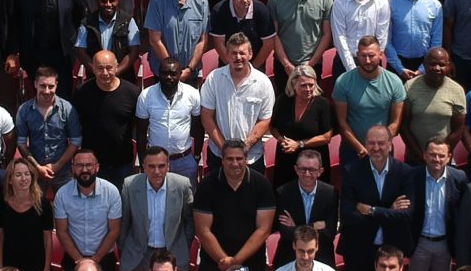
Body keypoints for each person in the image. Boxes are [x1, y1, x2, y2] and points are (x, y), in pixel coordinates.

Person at [194, 140, 275, 271]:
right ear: (222, 160)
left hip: (251, 265)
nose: (235, 163)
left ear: (246, 159)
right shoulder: (206, 185)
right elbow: (203, 231)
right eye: (230, 159)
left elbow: (263, 229)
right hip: (215, 266)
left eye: (239, 158)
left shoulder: (262, 185)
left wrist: (236, 261)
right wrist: (225, 262)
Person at [339, 125, 420, 271]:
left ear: (390, 145)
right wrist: (390, 211)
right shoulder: (352, 171)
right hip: (359, 249)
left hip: (393, 248)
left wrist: (372, 211)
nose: (376, 148)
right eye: (371, 143)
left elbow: (406, 215)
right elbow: (347, 215)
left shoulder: (406, 173)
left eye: (381, 143)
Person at [121, 146, 195, 271]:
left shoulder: (182, 185)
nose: (156, 172)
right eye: (151, 166)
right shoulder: (130, 185)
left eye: (161, 166)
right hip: (141, 255)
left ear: (168, 166)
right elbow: (124, 223)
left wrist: (182, 245)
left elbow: (189, 221)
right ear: (144, 167)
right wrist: (126, 250)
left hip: (172, 253)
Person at [201, 32, 275, 168]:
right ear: (227, 54)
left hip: (251, 157)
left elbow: (265, 120)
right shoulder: (214, 79)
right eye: (234, 53)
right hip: (219, 155)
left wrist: (245, 147)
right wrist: (225, 148)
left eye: (242, 53)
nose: (238, 57)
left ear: (250, 54)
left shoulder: (263, 82)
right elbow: (206, 117)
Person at [408, 136, 467, 271]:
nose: (437, 159)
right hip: (420, 243)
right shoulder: (412, 175)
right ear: (424, 155)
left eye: (441, 156)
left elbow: (463, 211)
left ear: (449, 157)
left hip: (444, 244)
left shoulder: (459, 177)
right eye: (432, 155)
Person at [333, 36, 407, 167]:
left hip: (383, 150)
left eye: (371, 56)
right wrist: (360, 148)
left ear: (380, 55)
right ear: (357, 55)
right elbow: (342, 122)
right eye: (363, 56)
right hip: (352, 150)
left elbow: (395, 122)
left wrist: (378, 147)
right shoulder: (343, 82)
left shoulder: (394, 82)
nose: (367, 61)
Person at [53, 149, 123, 271]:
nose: (84, 169)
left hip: (104, 259)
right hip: (73, 259)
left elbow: (114, 231)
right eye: (79, 165)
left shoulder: (111, 192)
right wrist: (80, 261)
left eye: (89, 165)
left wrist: (95, 260)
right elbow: (62, 231)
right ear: (73, 168)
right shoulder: (62, 194)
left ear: (97, 167)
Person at [266, 0, 335, 95]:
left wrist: (311, 63)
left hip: (313, 64)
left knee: (311, 107)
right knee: (285, 105)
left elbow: (327, 34)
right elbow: (274, 34)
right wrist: (287, 65)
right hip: (283, 65)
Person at [71, 48, 138, 187]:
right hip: (92, 164)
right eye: (100, 68)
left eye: (109, 68)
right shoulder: (82, 92)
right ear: (93, 68)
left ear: (116, 66)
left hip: (122, 162)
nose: (105, 73)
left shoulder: (132, 93)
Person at [0, 156, 55, 271]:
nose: (23, 178)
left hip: (37, 265)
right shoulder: (1, 203)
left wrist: (46, 269)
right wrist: (1, 268)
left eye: (27, 174)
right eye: (18, 175)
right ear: (9, 180)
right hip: (11, 263)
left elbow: (48, 239)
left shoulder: (42, 204)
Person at [17, 0, 82, 86]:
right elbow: (17, 22)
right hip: (35, 54)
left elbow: (79, 16)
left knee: (64, 95)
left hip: (62, 53)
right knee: (40, 95)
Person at [135, 56, 203, 179]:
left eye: (173, 74)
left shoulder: (192, 94)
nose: (168, 77)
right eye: (164, 73)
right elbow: (141, 132)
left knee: (187, 198)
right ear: (158, 73)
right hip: (155, 161)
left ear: (180, 74)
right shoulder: (146, 96)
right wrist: (143, 161)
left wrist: (196, 156)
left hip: (184, 160)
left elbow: (198, 128)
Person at [16, 66, 81, 192]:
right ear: (35, 84)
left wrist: (56, 166)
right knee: (37, 208)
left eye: (51, 86)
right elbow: (21, 143)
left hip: (63, 172)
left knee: (66, 208)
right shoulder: (24, 110)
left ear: (56, 85)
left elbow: (75, 141)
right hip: (35, 171)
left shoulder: (67, 109)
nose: (47, 91)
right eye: (43, 86)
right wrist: (38, 167)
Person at [145, 0, 211, 82]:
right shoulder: (157, 0)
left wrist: (189, 69)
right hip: (164, 74)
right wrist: (172, 70)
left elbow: (203, 41)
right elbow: (154, 40)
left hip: (190, 74)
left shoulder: (201, 3)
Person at [400, 49, 466, 172]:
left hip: (443, 160)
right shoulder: (410, 87)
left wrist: (440, 156)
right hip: (415, 159)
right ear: (424, 64)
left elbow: (458, 130)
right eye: (432, 64)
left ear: (448, 66)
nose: (437, 68)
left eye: (441, 64)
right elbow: (404, 126)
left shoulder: (457, 90)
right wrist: (421, 156)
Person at [274, 147, 339, 268]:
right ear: (296, 170)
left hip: (321, 256)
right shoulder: (283, 192)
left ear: (320, 171)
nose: (307, 174)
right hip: (290, 256)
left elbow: (330, 233)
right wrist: (314, 226)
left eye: (312, 170)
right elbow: (285, 233)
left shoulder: (331, 193)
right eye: (303, 169)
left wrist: (297, 226)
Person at [271, 64, 335, 186]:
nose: (308, 89)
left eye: (311, 85)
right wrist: (281, 140)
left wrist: (299, 144)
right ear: (293, 85)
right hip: (286, 158)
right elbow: (273, 127)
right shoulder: (283, 100)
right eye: (303, 85)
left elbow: (327, 136)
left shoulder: (323, 104)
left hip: (312, 162)